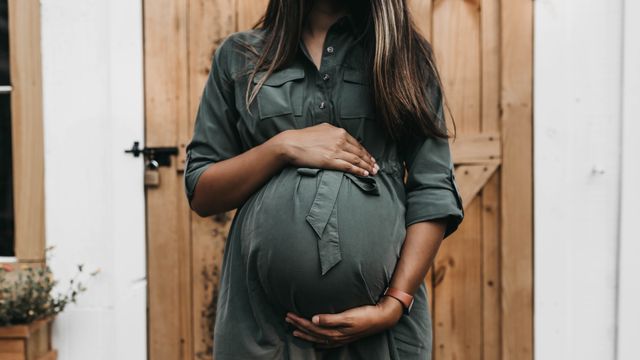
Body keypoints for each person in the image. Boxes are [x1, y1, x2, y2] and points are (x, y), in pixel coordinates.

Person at [183, 0, 464, 358]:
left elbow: (433, 188)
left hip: (381, 334)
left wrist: (394, 303)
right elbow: (203, 192)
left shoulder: (404, 56)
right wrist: (281, 147)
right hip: (264, 331)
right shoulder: (239, 57)